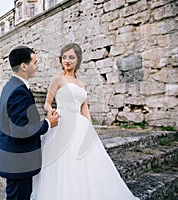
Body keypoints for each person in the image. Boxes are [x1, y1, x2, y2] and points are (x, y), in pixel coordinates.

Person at [31, 43, 139, 199]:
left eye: (71, 57)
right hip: (61, 122)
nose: (67, 61)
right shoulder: (57, 79)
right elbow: (47, 103)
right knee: (63, 165)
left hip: (79, 125)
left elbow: (84, 108)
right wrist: (51, 111)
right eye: (64, 57)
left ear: (78, 60)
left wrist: (89, 127)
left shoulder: (82, 84)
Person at [0, 46, 59, 200]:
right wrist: (48, 123)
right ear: (23, 65)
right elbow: (19, 130)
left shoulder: (12, 86)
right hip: (18, 161)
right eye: (34, 62)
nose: (36, 66)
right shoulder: (18, 91)